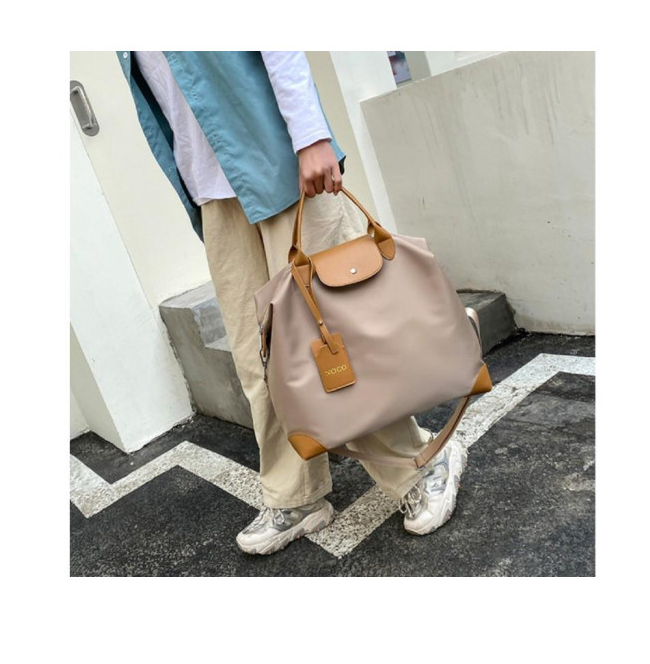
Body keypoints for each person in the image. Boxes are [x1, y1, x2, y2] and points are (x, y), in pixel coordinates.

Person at [119, 51, 468, 555]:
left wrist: (311, 135)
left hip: (280, 162)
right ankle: (296, 495)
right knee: (257, 357)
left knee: (343, 339)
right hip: (212, 192)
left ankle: (422, 463)